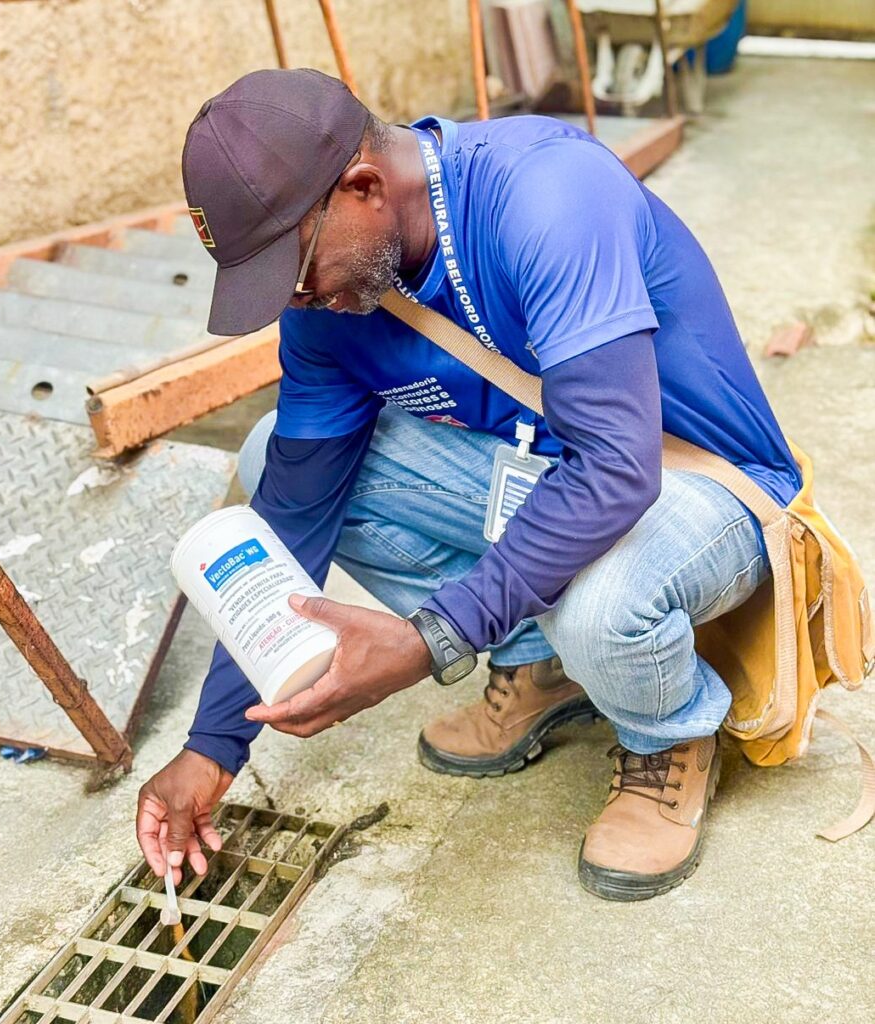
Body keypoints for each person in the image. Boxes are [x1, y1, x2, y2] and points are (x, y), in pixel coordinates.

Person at [136, 68, 800, 901]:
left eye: (296, 267)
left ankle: (665, 737)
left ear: (364, 187)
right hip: (547, 478)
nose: (297, 299)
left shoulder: (547, 196)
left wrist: (430, 637)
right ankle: (539, 665)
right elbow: (291, 521)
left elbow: (616, 468)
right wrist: (213, 747)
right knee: (271, 454)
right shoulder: (327, 311)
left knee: (603, 605)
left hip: (695, 484)